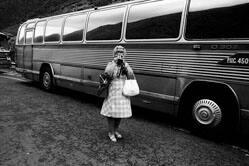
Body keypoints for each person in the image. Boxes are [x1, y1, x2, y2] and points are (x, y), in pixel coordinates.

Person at [100, 45, 134, 142]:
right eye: (117, 53)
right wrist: (114, 64)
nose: (120, 55)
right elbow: (106, 74)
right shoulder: (110, 64)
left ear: (124, 55)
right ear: (114, 54)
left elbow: (131, 75)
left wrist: (125, 66)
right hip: (112, 90)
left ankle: (115, 130)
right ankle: (110, 132)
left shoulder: (126, 64)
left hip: (123, 91)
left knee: (119, 113)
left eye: (122, 54)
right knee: (111, 113)